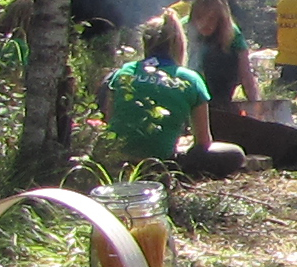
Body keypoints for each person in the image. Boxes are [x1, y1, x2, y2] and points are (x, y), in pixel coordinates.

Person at [99, 14, 245, 177]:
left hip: (117, 160)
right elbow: (203, 142)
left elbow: (110, 122)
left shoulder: (123, 72)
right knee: (235, 153)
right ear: (178, 43)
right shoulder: (190, 79)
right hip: (161, 162)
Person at [184, 0, 260, 106]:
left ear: (221, 18)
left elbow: (246, 76)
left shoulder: (232, 34)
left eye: (211, 19)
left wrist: (257, 106)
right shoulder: (182, 29)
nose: (204, 24)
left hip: (219, 96)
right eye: (199, 17)